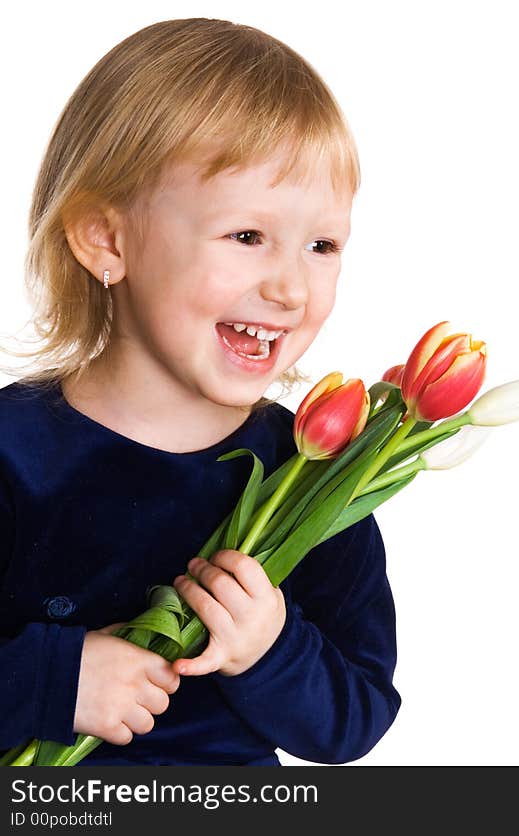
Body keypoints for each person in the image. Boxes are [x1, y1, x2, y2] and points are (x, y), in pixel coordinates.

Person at [0, 17, 401, 765]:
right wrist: (51, 681)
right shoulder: (15, 455)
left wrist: (272, 650)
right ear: (107, 241)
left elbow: (356, 720)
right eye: (247, 237)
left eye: (322, 245)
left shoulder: (314, 477)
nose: (288, 287)